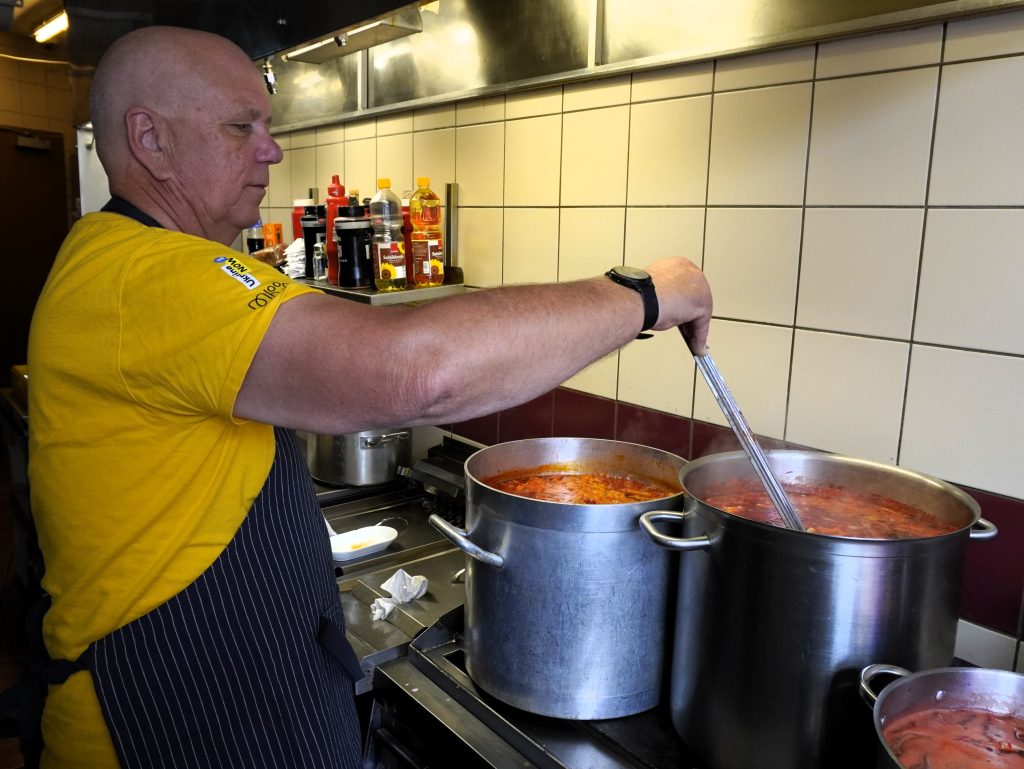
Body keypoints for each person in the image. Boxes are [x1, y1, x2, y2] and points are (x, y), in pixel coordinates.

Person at [25, 25, 712, 769]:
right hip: (161, 726)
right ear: (150, 139)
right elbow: (417, 373)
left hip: (229, 701)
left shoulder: (134, 263)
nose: (271, 150)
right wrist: (644, 295)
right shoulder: (148, 275)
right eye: (241, 126)